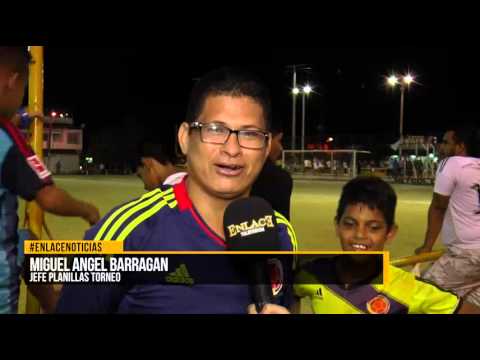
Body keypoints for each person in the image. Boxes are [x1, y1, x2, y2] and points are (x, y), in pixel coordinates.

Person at [56, 67, 297, 314]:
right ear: (184, 138)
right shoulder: (124, 235)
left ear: (267, 147)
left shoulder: (280, 234)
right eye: (215, 129)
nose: (232, 149)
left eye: (250, 134)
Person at [251, 177, 479, 314]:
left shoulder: (408, 287)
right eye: (350, 224)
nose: (360, 235)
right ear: (337, 225)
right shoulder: (311, 271)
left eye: (373, 227)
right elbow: (292, 294)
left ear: (390, 232)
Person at [0, 47, 101, 314]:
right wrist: (87, 210)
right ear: (12, 81)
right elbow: (49, 197)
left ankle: (54, 302)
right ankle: (58, 304)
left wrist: (22, 116)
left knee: (26, 241)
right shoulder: (7, 141)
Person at [415, 124, 480, 307]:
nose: (441, 147)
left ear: (460, 146)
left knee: (423, 295)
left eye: (445, 142)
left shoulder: (451, 163)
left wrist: (426, 247)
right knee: (468, 306)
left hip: (467, 253)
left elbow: (438, 207)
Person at [251, 127, 293, 220]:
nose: (281, 148)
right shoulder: (279, 178)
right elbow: (282, 226)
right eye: (278, 141)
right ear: (268, 140)